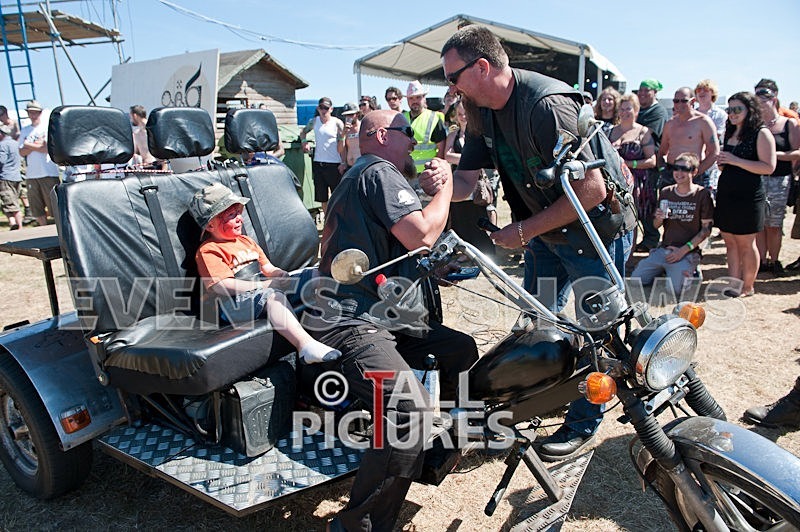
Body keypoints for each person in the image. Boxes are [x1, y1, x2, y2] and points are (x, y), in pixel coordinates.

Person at [438, 25, 635, 462]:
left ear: (483, 67)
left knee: (600, 336)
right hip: (548, 235)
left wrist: (522, 232)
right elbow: (468, 181)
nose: (450, 87)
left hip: (593, 235)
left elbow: (591, 191)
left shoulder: (546, 105)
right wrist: (434, 185)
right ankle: (544, 394)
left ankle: (583, 423)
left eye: (454, 76)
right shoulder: (478, 110)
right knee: (538, 322)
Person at [316, 110, 479, 531]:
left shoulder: (370, 174)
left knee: (459, 350)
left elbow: (397, 247)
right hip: (350, 320)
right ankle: (361, 524)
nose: (414, 144)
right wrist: (443, 188)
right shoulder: (378, 171)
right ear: (384, 135)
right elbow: (423, 234)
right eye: (408, 135)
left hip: (383, 315)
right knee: (409, 409)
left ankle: (428, 454)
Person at [190, 182, 340, 364]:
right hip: (231, 305)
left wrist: (281, 274)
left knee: (313, 275)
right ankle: (305, 346)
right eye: (231, 215)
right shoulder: (209, 250)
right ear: (210, 225)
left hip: (259, 291)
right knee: (272, 296)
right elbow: (220, 286)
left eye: (239, 212)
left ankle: (345, 313)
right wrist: (265, 285)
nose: (240, 219)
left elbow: (267, 268)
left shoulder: (246, 241)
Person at [714, 92, 776, 297]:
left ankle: (748, 287)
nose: (732, 113)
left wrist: (734, 159)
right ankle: (733, 284)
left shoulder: (761, 132)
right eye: (729, 109)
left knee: (746, 243)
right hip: (726, 194)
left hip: (748, 196)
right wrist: (723, 163)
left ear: (750, 110)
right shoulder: (729, 132)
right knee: (729, 241)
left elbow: (768, 167)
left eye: (737, 109)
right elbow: (728, 165)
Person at [631, 153, 713, 297]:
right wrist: (659, 218)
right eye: (676, 168)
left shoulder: (702, 194)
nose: (679, 173)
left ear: (694, 172)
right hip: (665, 249)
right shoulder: (666, 192)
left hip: (687, 251)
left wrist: (682, 251)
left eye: (684, 169)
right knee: (636, 280)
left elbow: (706, 230)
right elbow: (656, 226)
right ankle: (666, 270)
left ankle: (691, 270)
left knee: (676, 291)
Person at [755, 84, 800, 275]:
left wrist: (773, 155)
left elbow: (797, 152)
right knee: (759, 224)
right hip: (757, 178)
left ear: (773, 99)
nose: (760, 104)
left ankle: (774, 261)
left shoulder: (788, 123)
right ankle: (762, 261)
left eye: (763, 100)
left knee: (774, 224)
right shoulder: (755, 125)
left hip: (779, 179)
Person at [444, 100, 495, 255]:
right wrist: (469, 158)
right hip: (459, 180)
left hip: (477, 182)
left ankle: (484, 250)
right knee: (460, 216)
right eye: (459, 114)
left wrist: (466, 159)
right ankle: (463, 252)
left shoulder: (479, 132)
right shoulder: (453, 133)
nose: (463, 117)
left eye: (465, 113)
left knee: (479, 213)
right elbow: (447, 155)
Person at [609, 94, 656, 249]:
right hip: (613, 182)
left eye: (628, 108)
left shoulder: (643, 132)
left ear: (636, 110)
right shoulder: (610, 131)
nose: (624, 112)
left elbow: (652, 161)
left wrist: (628, 164)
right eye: (621, 109)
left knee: (631, 220)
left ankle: (629, 257)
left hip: (635, 183)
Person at [658, 87, 720, 191]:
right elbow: (661, 152)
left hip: (694, 174)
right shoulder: (670, 124)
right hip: (671, 174)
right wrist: (662, 170)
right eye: (676, 101)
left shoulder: (703, 122)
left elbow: (714, 152)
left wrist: (696, 171)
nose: (679, 104)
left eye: (684, 101)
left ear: (693, 101)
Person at [635, 80, 670, 253]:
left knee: (647, 203)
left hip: (649, 166)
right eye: (640, 90)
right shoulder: (640, 109)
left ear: (655, 92)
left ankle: (651, 238)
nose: (642, 93)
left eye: (646, 90)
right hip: (635, 163)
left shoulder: (658, 112)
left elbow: (647, 132)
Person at [299, 97, 344, 214]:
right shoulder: (314, 121)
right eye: (321, 107)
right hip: (319, 163)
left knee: (337, 196)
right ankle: (327, 222)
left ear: (331, 109)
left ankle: (338, 221)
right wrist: (304, 142)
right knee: (322, 197)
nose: (323, 110)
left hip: (334, 163)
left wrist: (343, 162)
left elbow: (344, 142)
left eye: (326, 108)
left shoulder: (337, 123)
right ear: (318, 108)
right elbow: (303, 132)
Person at [18, 100, 59, 226]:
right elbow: (21, 152)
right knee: (37, 207)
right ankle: (43, 228)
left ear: (40, 113)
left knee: (54, 206)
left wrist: (28, 144)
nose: (33, 115)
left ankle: (56, 230)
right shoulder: (25, 130)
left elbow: (46, 148)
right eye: (30, 112)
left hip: (48, 172)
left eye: (35, 112)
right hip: (32, 174)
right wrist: (36, 145)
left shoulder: (47, 127)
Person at [403, 80, 447, 175]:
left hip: (427, 173)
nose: (414, 101)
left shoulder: (434, 118)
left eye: (418, 97)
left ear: (424, 98)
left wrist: (435, 171)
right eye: (411, 98)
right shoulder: (401, 118)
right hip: (406, 173)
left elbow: (441, 150)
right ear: (407, 100)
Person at [0, 124, 23, 230]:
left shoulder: (2, 145)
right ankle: (15, 224)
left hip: (5, 176)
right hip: (16, 176)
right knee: (14, 201)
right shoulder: (15, 143)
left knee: (9, 203)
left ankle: (16, 225)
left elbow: (1, 160)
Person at [339, 102, 361, 173]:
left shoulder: (363, 127)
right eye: (346, 115)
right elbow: (340, 150)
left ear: (357, 114)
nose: (348, 117)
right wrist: (343, 134)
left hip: (361, 166)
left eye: (351, 115)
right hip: (349, 167)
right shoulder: (345, 130)